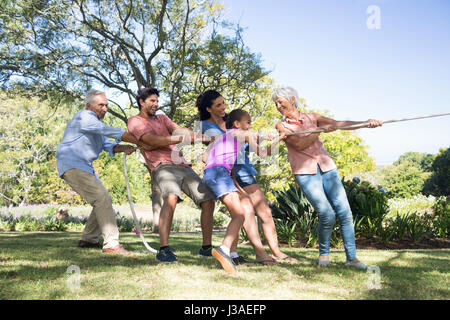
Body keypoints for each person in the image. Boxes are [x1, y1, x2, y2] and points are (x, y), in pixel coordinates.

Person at [272, 86, 383, 269]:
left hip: (327, 168)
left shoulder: (312, 117)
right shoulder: (282, 126)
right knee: (327, 213)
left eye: (280, 101)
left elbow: (339, 124)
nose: (278, 106)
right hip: (305, 173)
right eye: (275, 103)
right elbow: (299, 144)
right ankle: (324, 256)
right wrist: (319, 130)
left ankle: (352, 259)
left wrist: (366, 123)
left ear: (292, 99)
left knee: (344, 212)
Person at [197, 90, 297, 264]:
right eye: (248, 122)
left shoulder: (222, 136)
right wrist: (279, 138)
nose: (250, 126)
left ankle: (232, 253)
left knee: (240, 212)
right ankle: (224, 249)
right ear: (237, 123)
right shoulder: (241, 133)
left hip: (212, 174)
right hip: (222, 174)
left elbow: (205, 158)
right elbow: (264, 153)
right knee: (239, 214)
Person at [127, 87, 215, 263]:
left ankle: (206, 248)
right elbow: (151, 140)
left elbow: (179, 130)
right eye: (152, 101)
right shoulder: (134, 121)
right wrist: (176, 139)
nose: (156, 104)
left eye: (157, 101)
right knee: (171, 198)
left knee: (208, 200)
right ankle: (164, 249)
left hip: (182, 164)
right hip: (162, 166)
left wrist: (201, 137)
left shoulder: (162, 118)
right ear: (141, 102)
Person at [57, 89, 148, 255]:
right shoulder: (85, 117)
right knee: (102, 198)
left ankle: (89, 239)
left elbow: (107, 143)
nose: (105, 108)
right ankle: (111, 244)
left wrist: (123, 148)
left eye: (106, 105)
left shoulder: (94, 127)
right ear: (88, 106)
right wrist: (141, 138)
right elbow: (108, 131)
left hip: (82, 165)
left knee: (102, 199)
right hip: (73, 163)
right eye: (101, 105)